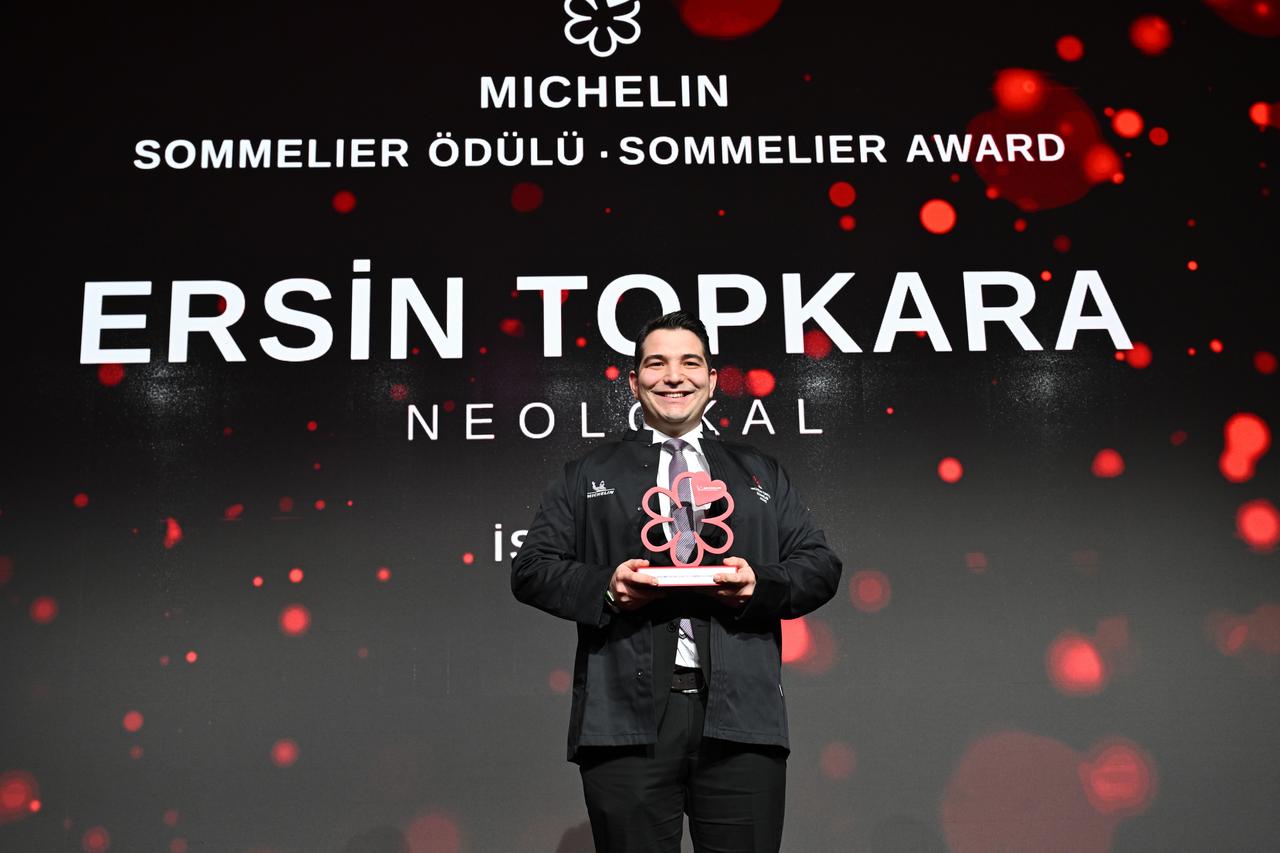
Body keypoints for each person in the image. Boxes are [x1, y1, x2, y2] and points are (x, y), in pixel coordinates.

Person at [512, 311, 842, 853]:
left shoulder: (760, 472)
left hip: (741, 722)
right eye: (656, 363)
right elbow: (531, 569)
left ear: (712, 380)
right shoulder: (587, 473)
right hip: (624, 719)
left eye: (690, 363)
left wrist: (756, 585)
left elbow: (819, 565)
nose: (674, 376)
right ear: (635, 379)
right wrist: (607, 587)